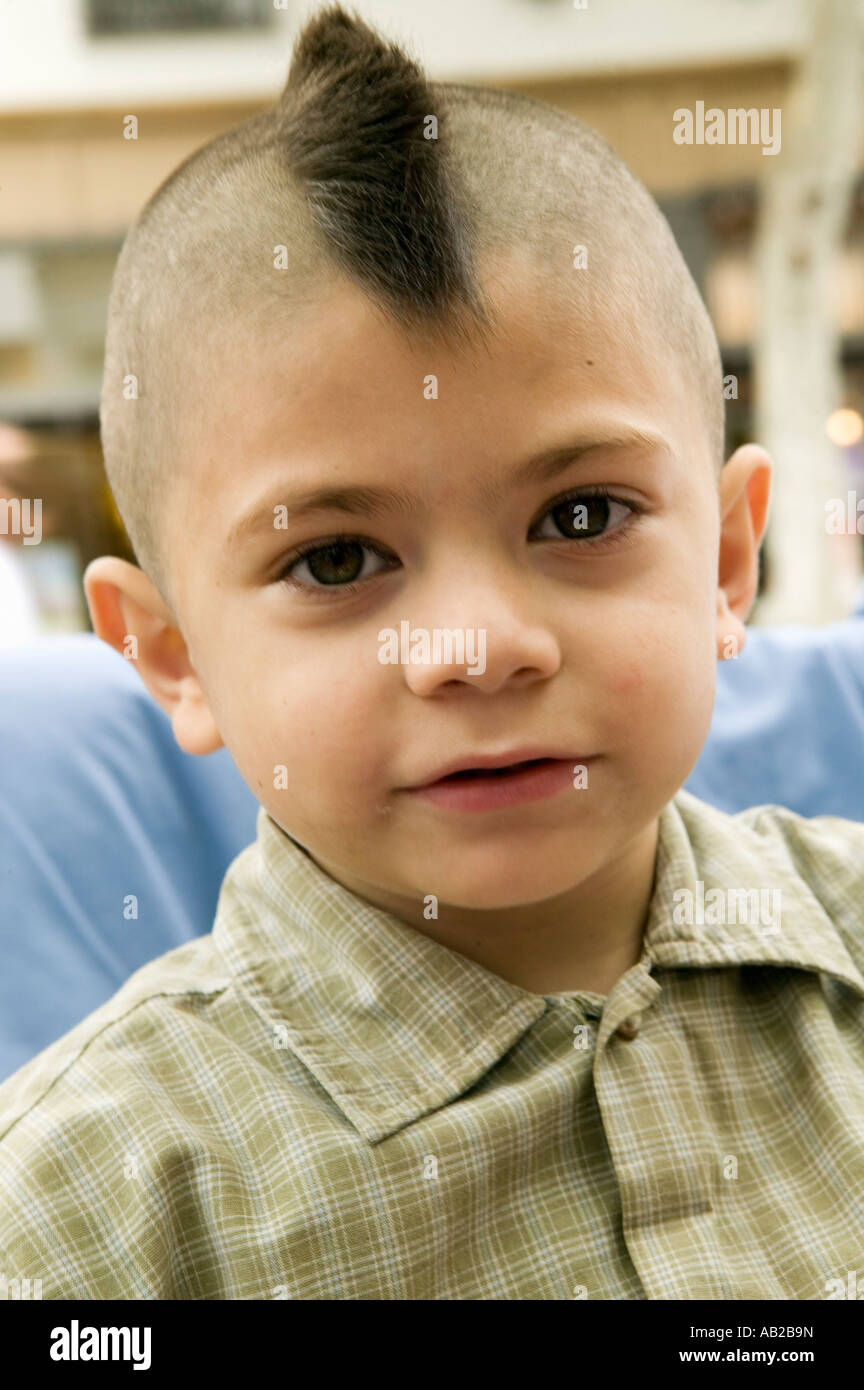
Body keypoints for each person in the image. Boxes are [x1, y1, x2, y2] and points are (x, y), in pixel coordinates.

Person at [0, 6, 862, 1301]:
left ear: (731, 563)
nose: (481, 647)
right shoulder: (85, 1222)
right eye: (336, 559)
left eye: (580, 517)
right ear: (172, 653)